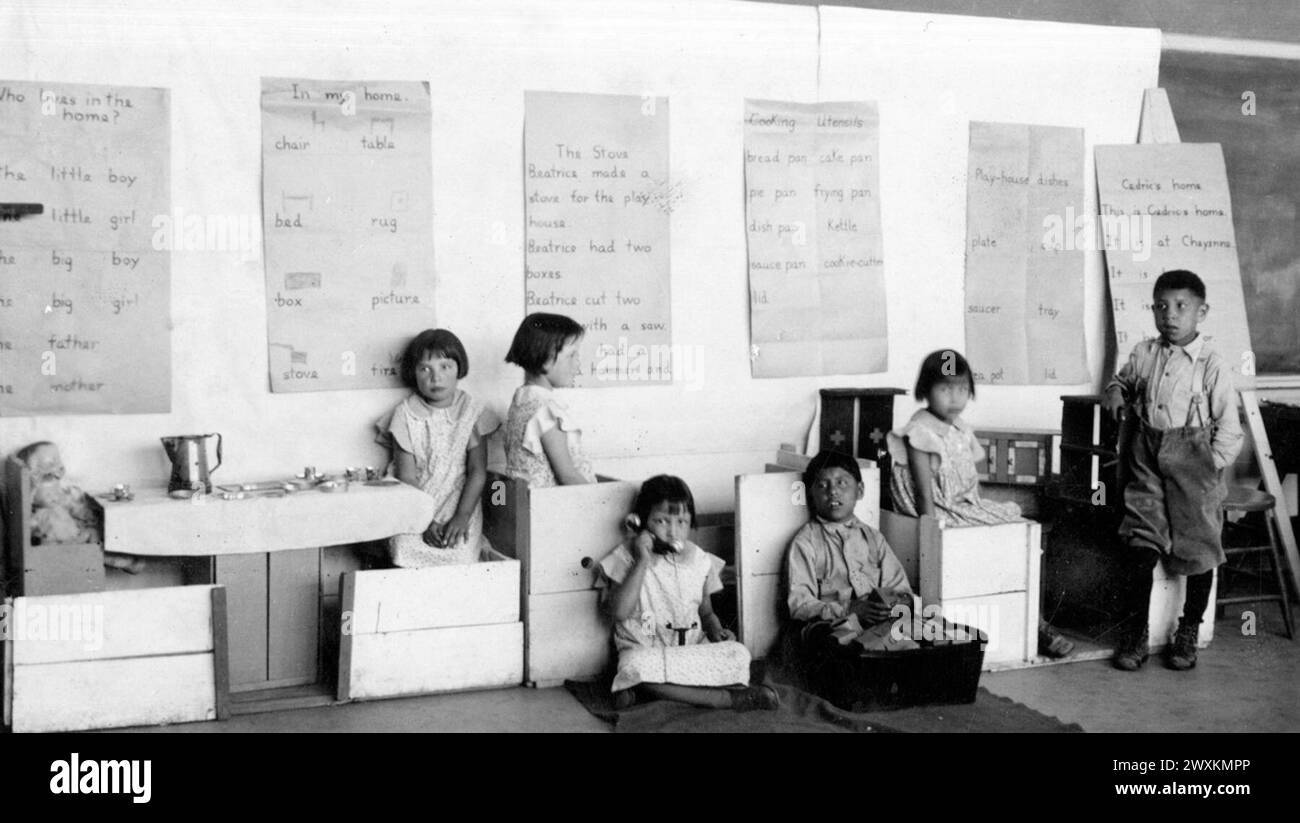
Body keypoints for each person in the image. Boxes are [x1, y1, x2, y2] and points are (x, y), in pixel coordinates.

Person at [887, 349, 1074, 657]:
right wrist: (933, 533)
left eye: (961, 388)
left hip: (962, 504)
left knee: (1023, 527)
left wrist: (986, 506)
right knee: (1010, 534)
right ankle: (1037, 625)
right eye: (944, 388)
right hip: (939, 512)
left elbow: (970, 482)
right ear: (925, 390)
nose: (954, 397)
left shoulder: (960, 429)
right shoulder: (919, 432)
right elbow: (923, 493)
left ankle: (1034, 620)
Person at [1103, 270, 1243, 671]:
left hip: (1193, 465)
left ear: (1202, 312)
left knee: (1199, 551)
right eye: (1161, 306)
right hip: (1146, 460)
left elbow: (1230, 431)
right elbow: (1123, 381)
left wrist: (1204, 467)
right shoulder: (1145, 353)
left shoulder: (1212, 364)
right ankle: (1135, 635)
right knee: (1140, 545)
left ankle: (1188, 632)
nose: (1171, 315)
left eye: (1182, 306)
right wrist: (1115, 391)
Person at [596, 475, 779, 711]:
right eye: (662, 521)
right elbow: (619, 613)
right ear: (642, 523)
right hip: (647, 651)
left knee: (738, 653)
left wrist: (715, 630)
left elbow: (706, 611)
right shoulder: (627, 557)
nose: (673, 532)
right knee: (635, 665)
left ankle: (646, 692)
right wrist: (642, 561)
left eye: (681, 522)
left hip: (691, 651)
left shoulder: (700, 560)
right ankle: (724, 699)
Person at [784, 449, 918, 669]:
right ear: (811, 495)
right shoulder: (805, 542)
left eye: (842, 483)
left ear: (860, 490)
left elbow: (899, 587)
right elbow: (799, 605)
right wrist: (848, 609)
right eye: (822, 485)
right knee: (834, 642)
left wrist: (896, 603)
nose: (833, 492)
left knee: (922, 630)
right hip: (834, 624)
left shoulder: (873, 538)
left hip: (879, 623)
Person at [376, 329, 500, 566]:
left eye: (445, 366)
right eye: (425, 369)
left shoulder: (470, 411)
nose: (436, 377)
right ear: (413, 373)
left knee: (460, 551)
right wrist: (424, 521)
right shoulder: (404, 414)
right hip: (418, 502)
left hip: (460, 503)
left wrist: (462, 517)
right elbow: (406, 477)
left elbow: (477, 472)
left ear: (459, 369)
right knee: (403, 548)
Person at [503, 313, 597, 487]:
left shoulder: (522, 401)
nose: (578, 363)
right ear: (546, 359)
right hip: (553, 507)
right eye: (572, 355)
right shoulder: (546, 412)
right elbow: (567, 476)